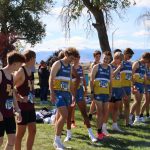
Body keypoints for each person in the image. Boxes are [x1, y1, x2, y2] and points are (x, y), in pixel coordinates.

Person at [49, 47, 80, 149]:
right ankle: (57, 141)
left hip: (67, 94)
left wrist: (73, 95)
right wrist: (52, 93)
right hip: (58, 93)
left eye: (74, 58)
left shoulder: (70, 67)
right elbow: (51, 78)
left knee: (63, 116)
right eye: (71, 57)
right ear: (66, 54)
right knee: (65, 115)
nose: (72, 60)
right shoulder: (58, 63)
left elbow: (70, 81)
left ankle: (58, 141)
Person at [64, 54, 97, 143]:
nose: (76, 60)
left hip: (79, 91)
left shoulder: (80, 67)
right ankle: (68, 134)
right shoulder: (69, 67)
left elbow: (82, 79)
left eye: (78, 58)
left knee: (84, 113)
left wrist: (85, 88)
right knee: (69, 113)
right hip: (71, 91)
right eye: (74, 58)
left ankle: (91, 134)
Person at [0, 51, 25, 150]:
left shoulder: (11, 76)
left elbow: (12, 94)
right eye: (20, 64)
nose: (20, 67)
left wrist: (18, 109)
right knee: (0, 140)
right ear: (14, 63)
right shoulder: (1, 74)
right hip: (1, 114)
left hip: (9, 113)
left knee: (12, 139)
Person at [14, 50, 36, 150]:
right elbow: (10, 86)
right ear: (31, 59)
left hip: (31, 106)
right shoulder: (20, 71)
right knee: (20, 134)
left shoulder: (30, 71)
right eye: (35, 58)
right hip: (22, 107)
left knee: (33, 130)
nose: (35, 60)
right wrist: (20, 98)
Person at [90, 51, 112, 140]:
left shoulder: (110, 68)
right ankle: (99, 132)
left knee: (105, 112)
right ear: (102, 58)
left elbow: (111, 82)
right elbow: (91, 80)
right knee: (100, 112)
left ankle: (102, 129)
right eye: (105, 58)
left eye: (108, 59)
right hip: (98, 93)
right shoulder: (96, 67)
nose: (106, 60)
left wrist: (110, 92)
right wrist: (92, 92)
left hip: (106, 94)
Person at [114, 48, 134, 127]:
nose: (130, 57)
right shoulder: (120, 63)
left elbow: (130, 76)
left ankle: (127, 123)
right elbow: (116, 75)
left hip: (128, 87)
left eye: (131, 56)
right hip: (121, 87)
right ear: (125, 54)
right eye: (129, 55)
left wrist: (133, 85)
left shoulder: (130, 64)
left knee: (127, 105)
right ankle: (116, 122)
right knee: (119, 105)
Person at [130, 52, 150, 124]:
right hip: (136, 85)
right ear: (146, 58)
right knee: (137, 101)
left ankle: (137, 118)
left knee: (139, 102)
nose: (148, 62)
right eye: (148, 60)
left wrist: (145, 87)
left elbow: (144, 77)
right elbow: (131, 75)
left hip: (141, 85)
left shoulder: (144, 65)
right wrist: (133, 85)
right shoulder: (137, 63)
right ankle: (130, 116)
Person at [109, 52, 124, 132]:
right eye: (120, 59)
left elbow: (119, 78)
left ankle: (115, 125)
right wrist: (118, 68)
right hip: (112, 89)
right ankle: (103, 126)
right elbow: (112, 75)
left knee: (116, 108)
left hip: (118, 89)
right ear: (116, 58)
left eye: (121, 60)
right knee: (109, 109)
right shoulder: (110, 66)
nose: (121, 61)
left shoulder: (118, 66)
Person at [88, 50, 101, 121]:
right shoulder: (93, 64)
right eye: (97, 56)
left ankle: (90, 114)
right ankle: (94, 114)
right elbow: (91, 76)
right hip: (94, 84)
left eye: (99, 56)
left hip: (99, 84)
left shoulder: (100, 64)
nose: (98, 58)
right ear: (94, 57)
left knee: (94, 101)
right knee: (95, 100)